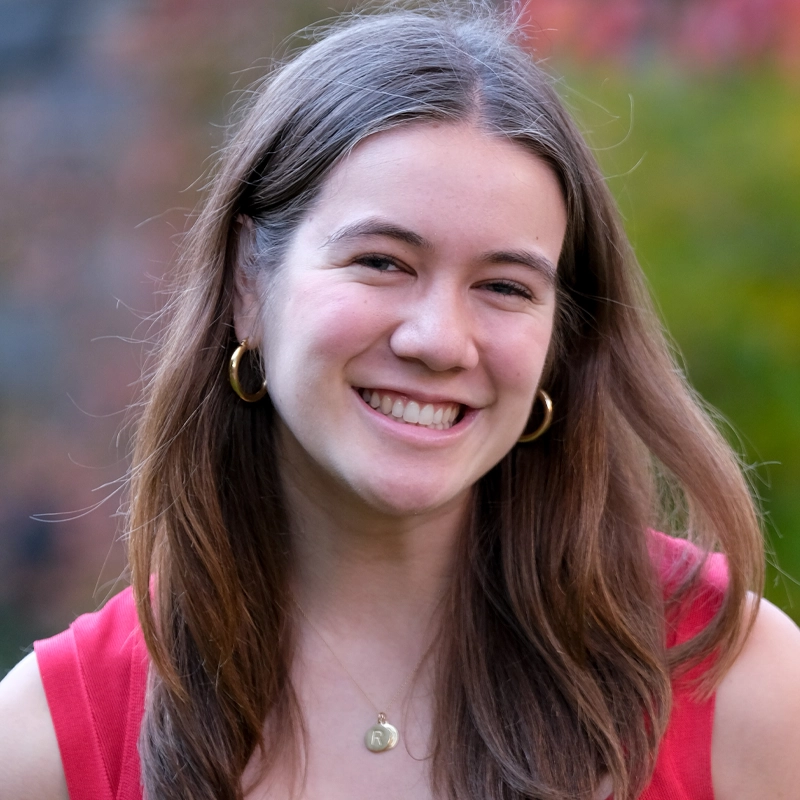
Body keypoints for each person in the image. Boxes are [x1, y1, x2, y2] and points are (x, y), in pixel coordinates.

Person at [1, 3, 799, 799]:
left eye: (504, 286)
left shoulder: (735, 682)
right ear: (251, 280)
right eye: (383, 262)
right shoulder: (53, 739)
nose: (440, 341)